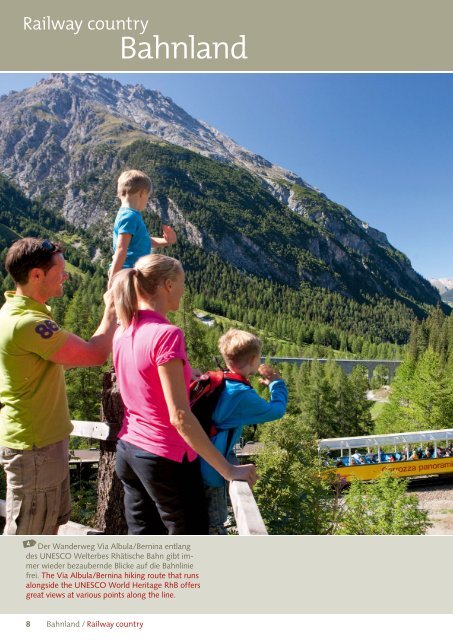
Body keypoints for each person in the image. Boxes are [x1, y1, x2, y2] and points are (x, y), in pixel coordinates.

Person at [111, 254, 257, 535]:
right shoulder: (167, 334)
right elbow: (179, 416)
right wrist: (227, 470)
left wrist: (187, 371)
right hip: (165, 458)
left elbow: (144, 378)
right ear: (167, 285)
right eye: (182, 283)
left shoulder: (124, 331)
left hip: (129, 452)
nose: (183, 290)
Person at [0, 238, 116, 535]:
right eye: (60, 271)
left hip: (40, 441)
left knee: (47, 525)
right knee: (30, 534)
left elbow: (56, 362)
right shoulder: (27, 322)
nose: (66, 275)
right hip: (36, 447)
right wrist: (113, 308)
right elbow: (94, 354)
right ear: (36, 275)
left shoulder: (17, 312)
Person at [200, 329, 288, 535]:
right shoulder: (240, 394)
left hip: (197, 462)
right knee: (215, 525)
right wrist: (277, 383)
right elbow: (276, 411)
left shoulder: (223, 381)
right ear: (254, 359)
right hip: (211, 470)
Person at [108, 169, 177, 288]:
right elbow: (121, 249)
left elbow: (142, 241)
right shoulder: (129, 216)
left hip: (132, 273)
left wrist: (167, 241)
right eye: (147, 197)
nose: (147, 201)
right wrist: (113, 280)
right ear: (142, 193)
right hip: (129, 275)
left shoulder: (129, 215)